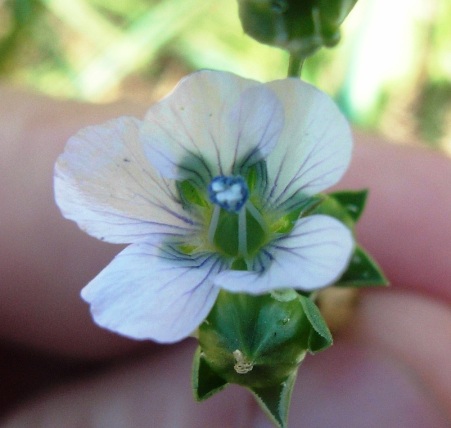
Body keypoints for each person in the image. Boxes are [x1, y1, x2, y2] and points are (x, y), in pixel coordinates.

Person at [0, 84, 450, 427]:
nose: (229, 199)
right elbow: (89, 175)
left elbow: (302, 117)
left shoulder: (295, 203)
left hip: (286, 258)